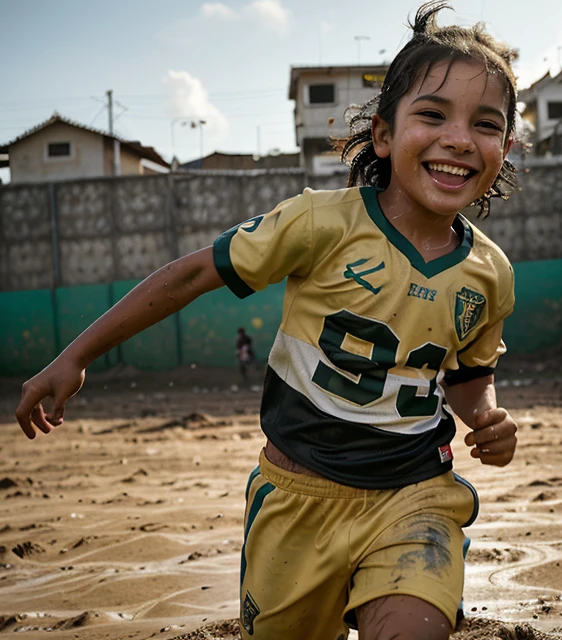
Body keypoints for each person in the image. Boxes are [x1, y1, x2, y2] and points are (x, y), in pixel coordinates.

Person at [16, 3, 520, 638]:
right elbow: (194, 274)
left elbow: (470, 374)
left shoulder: (489, 272)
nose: (459, 138)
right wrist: (76, 355)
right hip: (297, 499)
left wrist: (485, 416)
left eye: (486, 124)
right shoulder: (320, 223)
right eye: (432, 114)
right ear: (385, 136)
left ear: (505, 147)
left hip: (414, 495)